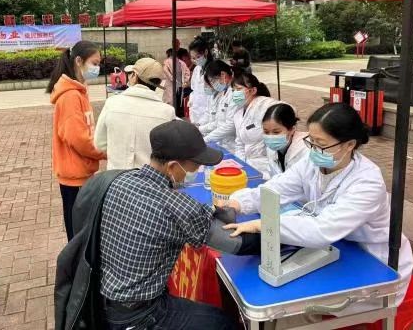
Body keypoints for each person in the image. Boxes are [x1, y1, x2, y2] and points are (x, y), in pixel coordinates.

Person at [54, 120, 260, 330]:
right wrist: (268, 230)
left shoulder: (118, 180)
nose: (198, 170)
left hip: (101, 300)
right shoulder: (177, 206)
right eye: (195, 166)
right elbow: (236, 244)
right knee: (223, 323)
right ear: (173, 166)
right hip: (141, 315)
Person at [222, 103, 413, 312]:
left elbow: (322, 230)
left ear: (349, 144)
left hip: (371, 262)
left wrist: (262, 225)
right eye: (311, 141)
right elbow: (277, 188)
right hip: (339, 247)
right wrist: (238, 203)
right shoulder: (312, 163)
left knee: (298, 310)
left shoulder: (367, 183)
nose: (313, 149)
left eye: (320, 144)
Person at [47, 40, 107, 241]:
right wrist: (105, 152)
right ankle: (77, 263)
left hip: (82, 172)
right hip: (75, 176)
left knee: (82, 231)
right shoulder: (71, 96)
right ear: (79, 61)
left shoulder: (79, 91)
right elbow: (78, 139)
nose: (97, 68)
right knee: (79, 236)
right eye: (94, 63)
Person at [94, 58, 176, 170]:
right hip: (149, 177)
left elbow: (100, 144)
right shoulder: (167, 111)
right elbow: (169, 151)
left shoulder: (112, 103)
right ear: (157, 83)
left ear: (135, 76)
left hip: (116, 175)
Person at [232, 72, 279, 177]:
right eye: (233, 90)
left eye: (238, 89)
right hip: (248, 165)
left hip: (266, 167)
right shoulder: (238, 113)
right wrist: (241, 165)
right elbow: (239, 143)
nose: (234, 93)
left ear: (253, 90)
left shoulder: (263, 105)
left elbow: (286, 109)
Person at [199, 60, 239, 152]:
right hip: (224, 142)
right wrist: (200, 129)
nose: (213, 85)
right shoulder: (224, 92)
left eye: (213, 81)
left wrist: (206, 139)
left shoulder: (236, 92)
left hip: (233, 145)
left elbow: (230, 125)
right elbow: (218, 122)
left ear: (223, 75)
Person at [262, 103, 309, 178]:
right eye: (266, 132)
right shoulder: (271, 149)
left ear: (292, 129)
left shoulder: (305, 150)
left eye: (276, 132)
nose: (270, 136)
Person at [188, 36, 213, 126]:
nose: (195, 60)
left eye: (198, 57)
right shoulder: (197, 69)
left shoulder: (213, 71)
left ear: (206, 52)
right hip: (195, 112)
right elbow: (194, 89)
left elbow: (214, 96)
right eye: (193, 58)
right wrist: (191, 101)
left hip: (209, 114)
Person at [162, 46, 191, 115]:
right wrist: (185, 80)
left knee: (172, 98)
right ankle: (178, 112)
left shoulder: (168, 61)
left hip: (172, 83)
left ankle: (173, 113)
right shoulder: (181, 62)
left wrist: (172, 78)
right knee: (177, 98)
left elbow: (165, 70)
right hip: (178, 83)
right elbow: (187, 72)